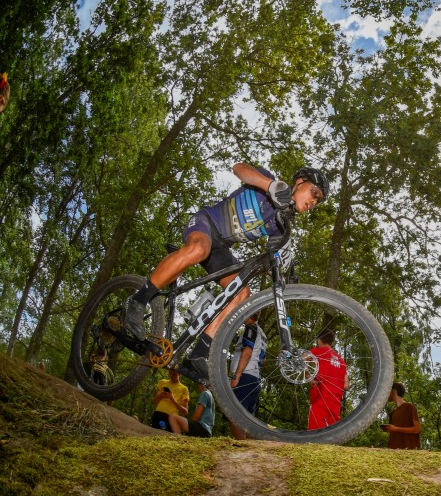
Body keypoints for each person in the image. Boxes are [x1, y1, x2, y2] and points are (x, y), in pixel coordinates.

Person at [121, 163, 329, 380]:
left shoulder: (281, 224)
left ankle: (199, 353)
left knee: (241, 293)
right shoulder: (267, 181)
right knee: (199, 248)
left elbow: (275, 254)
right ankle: (137, 301)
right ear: (299, 181)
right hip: (206, 223)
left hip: (220, 249)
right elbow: (239, 169)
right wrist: (270, 185)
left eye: (318, 200)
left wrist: (288, 267)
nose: (314, 201)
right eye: (314, 192)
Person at [228, 316, 266, 440]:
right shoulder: (262, 333)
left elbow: (248, 351)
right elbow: (263, 358)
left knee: (234, 416)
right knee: (248, 422)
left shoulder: (251, 327)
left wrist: (237, 375)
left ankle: (242, 449)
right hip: (255, 379)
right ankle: (252, 451)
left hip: (245, 376)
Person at [307, 328, 349, 430]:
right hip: (335, 403)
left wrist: (308, 376)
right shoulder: (341, 361)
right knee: (332, 435)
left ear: (319, 340)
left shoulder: (318, 351)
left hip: (320, 399)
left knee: (314, 434)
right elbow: (346, 386)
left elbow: (300, 360)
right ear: (332, 342)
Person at [382, 382, 421, 449]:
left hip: (409, 451)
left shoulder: (409, 407)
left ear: (393, 391)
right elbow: (393, 431)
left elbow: (417, 429)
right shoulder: (393, 412)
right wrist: (389, 429)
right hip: (393, 451)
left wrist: (396, 429)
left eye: (387, 390)